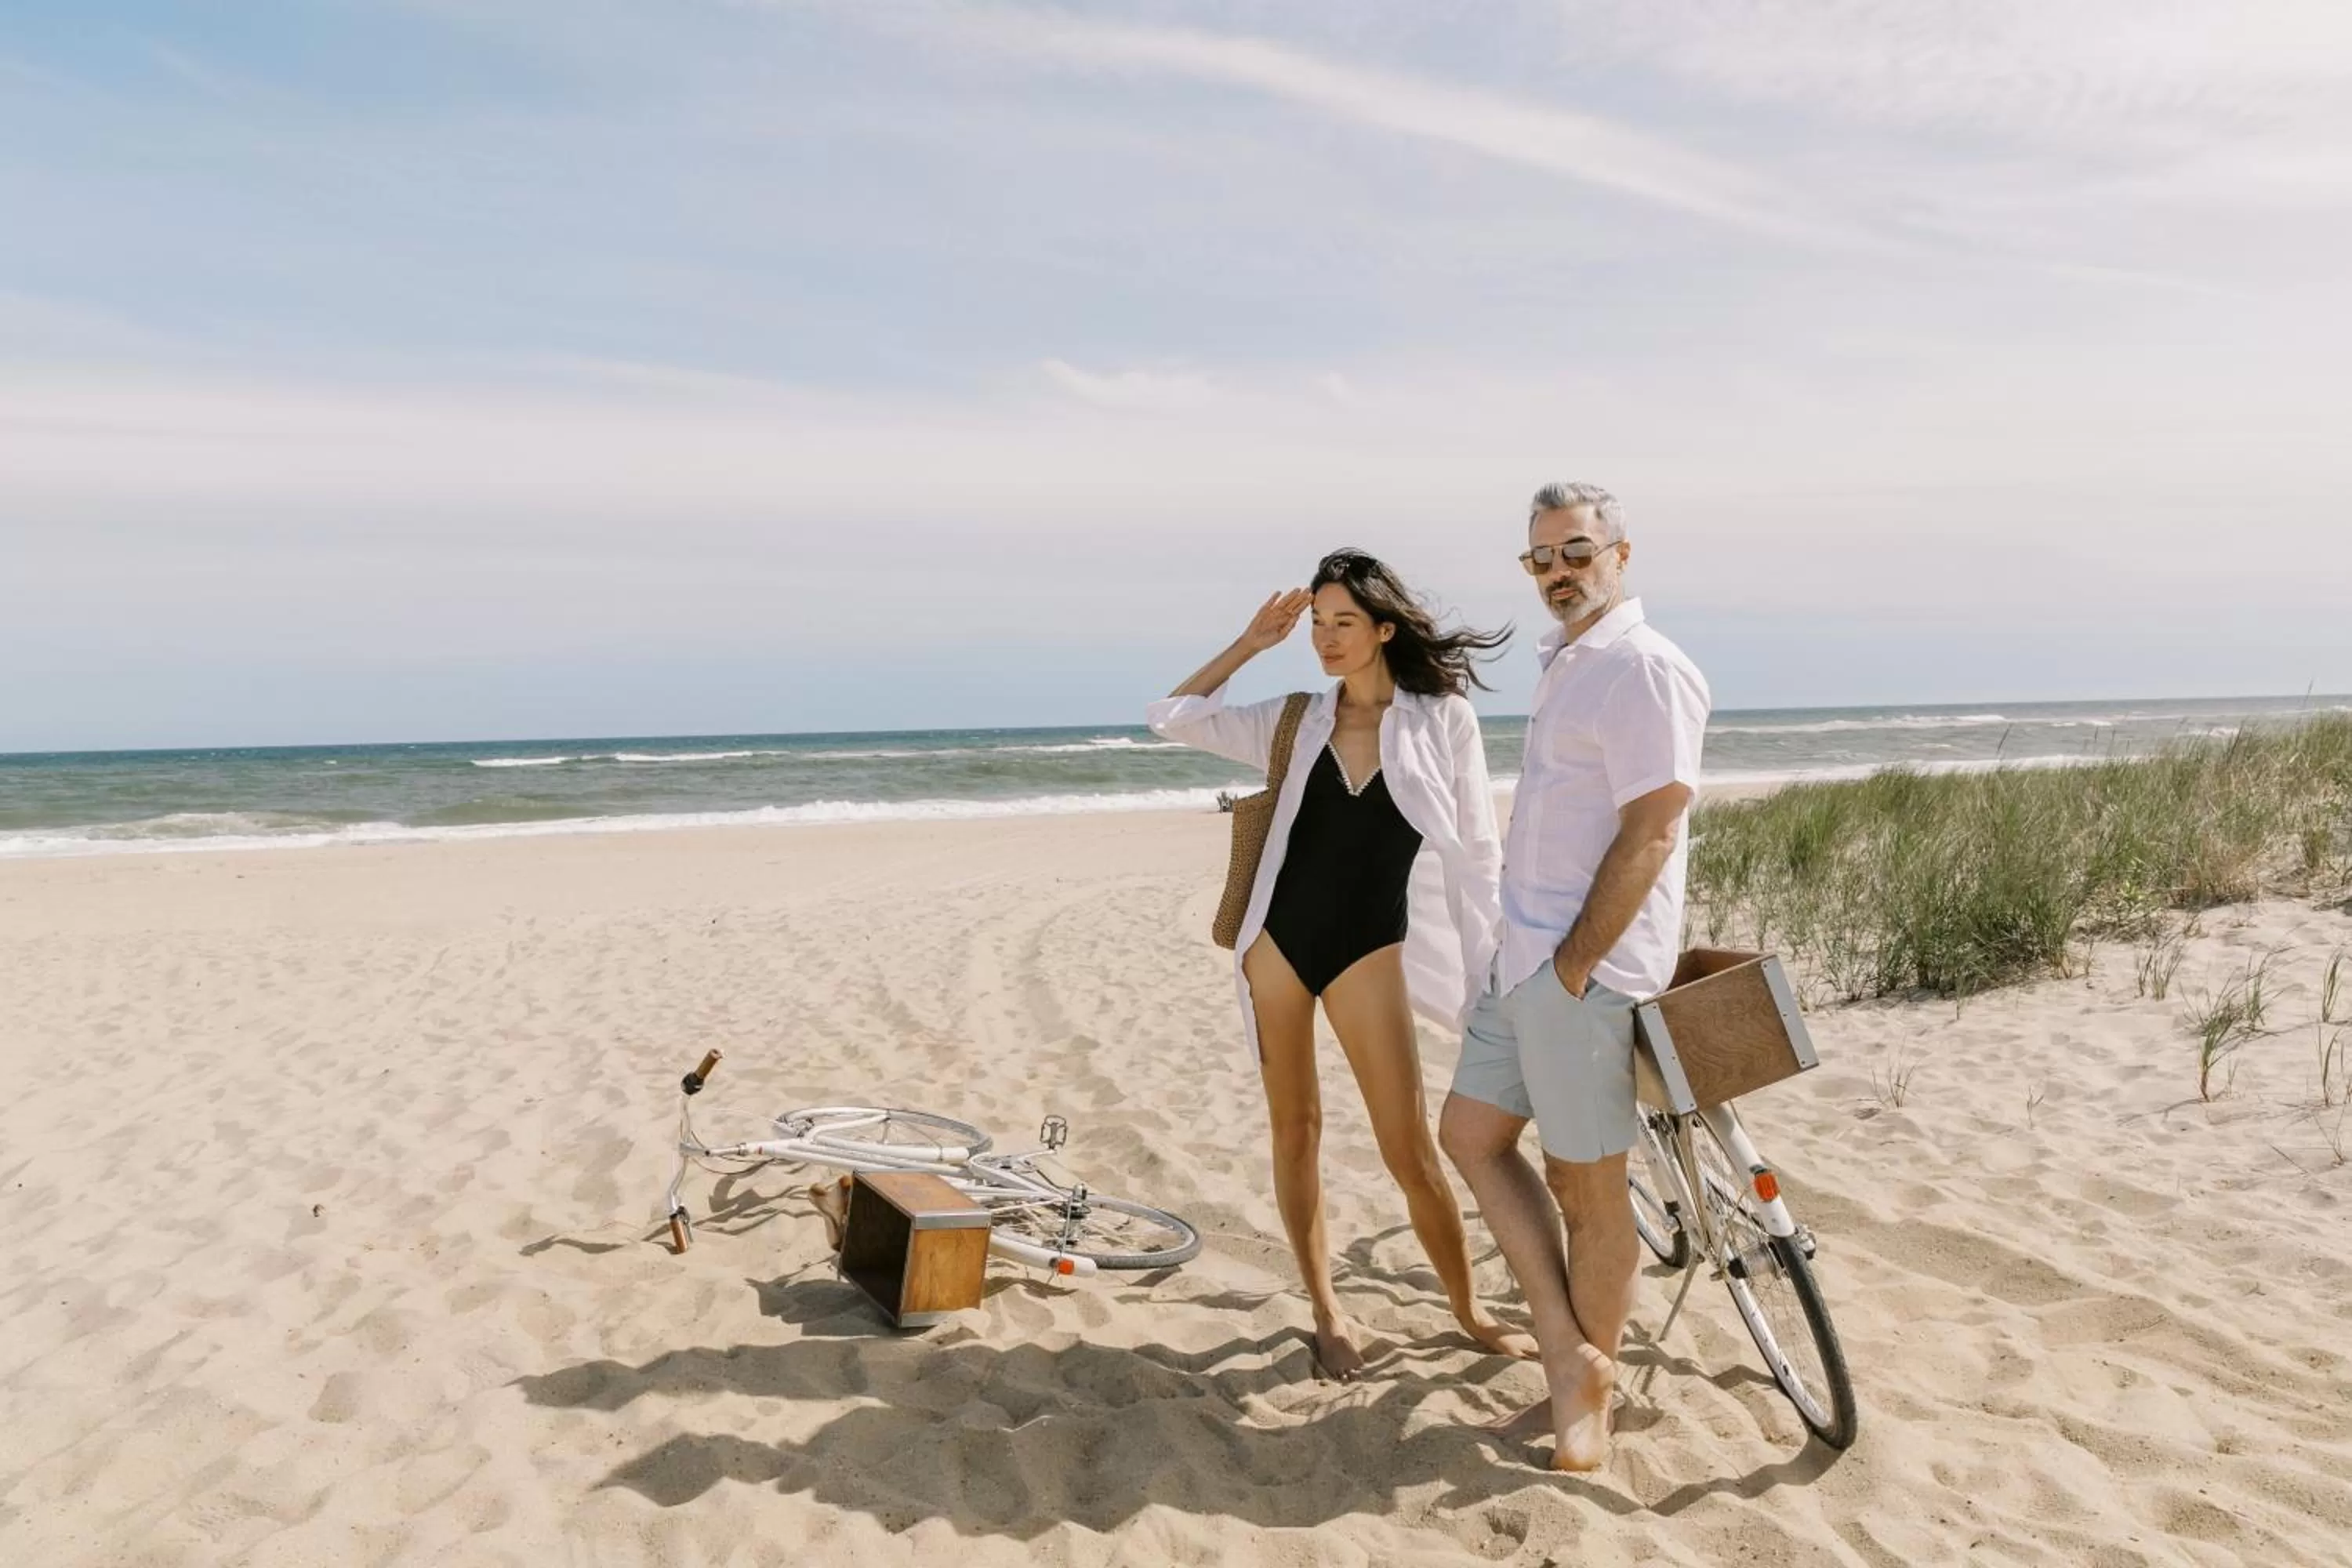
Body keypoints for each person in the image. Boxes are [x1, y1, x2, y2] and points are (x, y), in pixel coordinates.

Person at [1147, 550, 1534, 1379]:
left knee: (1409, 1149)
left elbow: (1480, 852)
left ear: (1384, 629)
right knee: (1298, 1130)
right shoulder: (1294, 719)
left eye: (1342, 622)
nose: (1323, 637)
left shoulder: (1443, 721)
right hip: (1277, 944)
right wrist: (1251, 641)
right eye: (1316, 623)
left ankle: (1467, 1309)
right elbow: (1172, 714)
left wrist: (1502, 959)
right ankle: (1327, 1309)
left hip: (1372, 947)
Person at [1439, 482, 1711, 1470]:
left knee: (1590, 1191)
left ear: (1621, 554)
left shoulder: (1643, 667)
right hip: (1527, 959)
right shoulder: (1570, 662)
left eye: (1577, 552)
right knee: (1469, 1134)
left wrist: (1576, 963)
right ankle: (1570, 1355)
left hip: (1581, 974)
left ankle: (1587, 1394)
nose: (1559, 572)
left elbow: (1653, 828)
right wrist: (1537, 959)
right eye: (1541, 558)